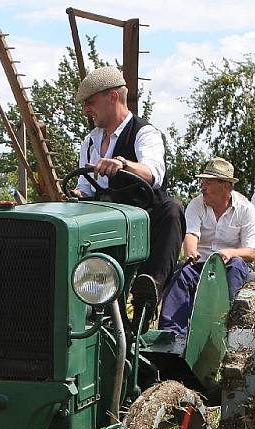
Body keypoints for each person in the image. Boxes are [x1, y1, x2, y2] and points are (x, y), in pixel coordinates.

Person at [71, 66, 185, 316]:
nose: (85, 110)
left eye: (90, 102)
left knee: (172, 209)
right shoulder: (89, 141)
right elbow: (84, 189)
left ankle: (148, 290)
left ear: (112, 96)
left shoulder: (145, 133)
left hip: (140, 218)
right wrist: (75, 197)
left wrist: (123, 164)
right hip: (102, 220)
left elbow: (153, 172)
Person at [158, 157, 255, 336]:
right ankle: (171, 335)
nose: (203, 186)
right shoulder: (196, 204)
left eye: (209, 182)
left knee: (236, 267)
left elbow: (251, 251)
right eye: (202, 181)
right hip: (200, 264)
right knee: (182, 274)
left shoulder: (246, 209)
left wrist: (230, 252)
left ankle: (226, 328)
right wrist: (191, 252)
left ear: (226, 186)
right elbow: (191, 234)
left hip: (231, 265)